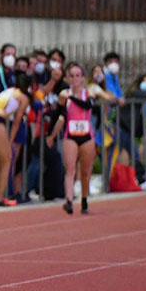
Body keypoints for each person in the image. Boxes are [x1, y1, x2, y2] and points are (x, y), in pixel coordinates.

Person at [48, 62, 116, 214]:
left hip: (86, 135)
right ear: (67, 78)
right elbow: (59, 116)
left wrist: (74, 97)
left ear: (83, 77)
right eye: (72, 76)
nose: (75, 79)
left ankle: (84, 199)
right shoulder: (63, 94)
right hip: (70, 135)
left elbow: (88, 106)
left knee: (86, 171)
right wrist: (51, 134)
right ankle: (69, 201)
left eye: (78, 76)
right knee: (70, 169)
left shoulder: (89, 92)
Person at [0, 72, 31, 207]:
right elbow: (17, 121)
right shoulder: (23, 97)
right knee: (7, 159)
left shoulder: (9, 91)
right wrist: (10, 141)